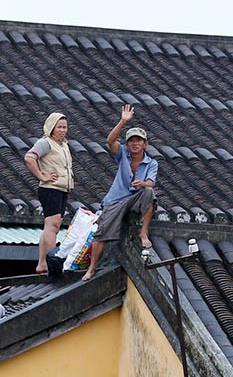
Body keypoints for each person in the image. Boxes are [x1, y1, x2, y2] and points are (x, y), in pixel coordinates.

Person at [84, 104, 158, 281]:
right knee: (101, 233)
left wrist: (142, 184)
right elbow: (110, 141)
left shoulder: (151, 163)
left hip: (135, 198)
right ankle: (92, 268)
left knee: (149, 193)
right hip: (115, 200)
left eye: (138, 140)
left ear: (145, 144)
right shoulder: (122, 153)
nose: (135, 143)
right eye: (132, 140)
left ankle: (143, 232)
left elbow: (151, 182)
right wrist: (123, 121)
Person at [24, 112, 74, 275]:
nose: (62, 130)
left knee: (52, 225)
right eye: (59, 127)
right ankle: (51, 262)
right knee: (52, 226)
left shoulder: (64, 145)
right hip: (50, 188)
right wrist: (41, 176)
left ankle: (42, 263)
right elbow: (29, 158)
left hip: (61, 188)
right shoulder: (45, 143)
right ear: (51, 127)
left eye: (64, 127)